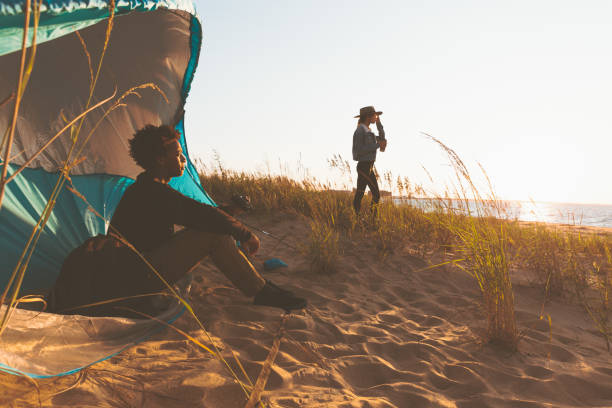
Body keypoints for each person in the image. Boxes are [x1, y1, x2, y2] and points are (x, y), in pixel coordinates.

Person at [47, 124, 306, 316]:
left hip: (140, 269)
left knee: (211, 229)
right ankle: (260, 291)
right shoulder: (152, 191)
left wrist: (228, 211)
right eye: (178, 154)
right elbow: (199, 216)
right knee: (214, 234)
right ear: (161, 159)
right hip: (138, 276)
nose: (183, 160)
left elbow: (192, 214)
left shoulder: (148, 188)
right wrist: (244, 233)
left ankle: (260, 288)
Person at [351, 106, 387, 214]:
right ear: (368, 117)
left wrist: (378, 124)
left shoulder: (368, 131)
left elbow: (382, 138)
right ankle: (360, 218)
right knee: (362, 194)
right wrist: (377, 145)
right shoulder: (360, 131)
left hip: (369, 166)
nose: (376, 117)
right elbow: (358, 150)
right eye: (375, 115)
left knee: (373, 194)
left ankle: (371, 219)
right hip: (364, 166)